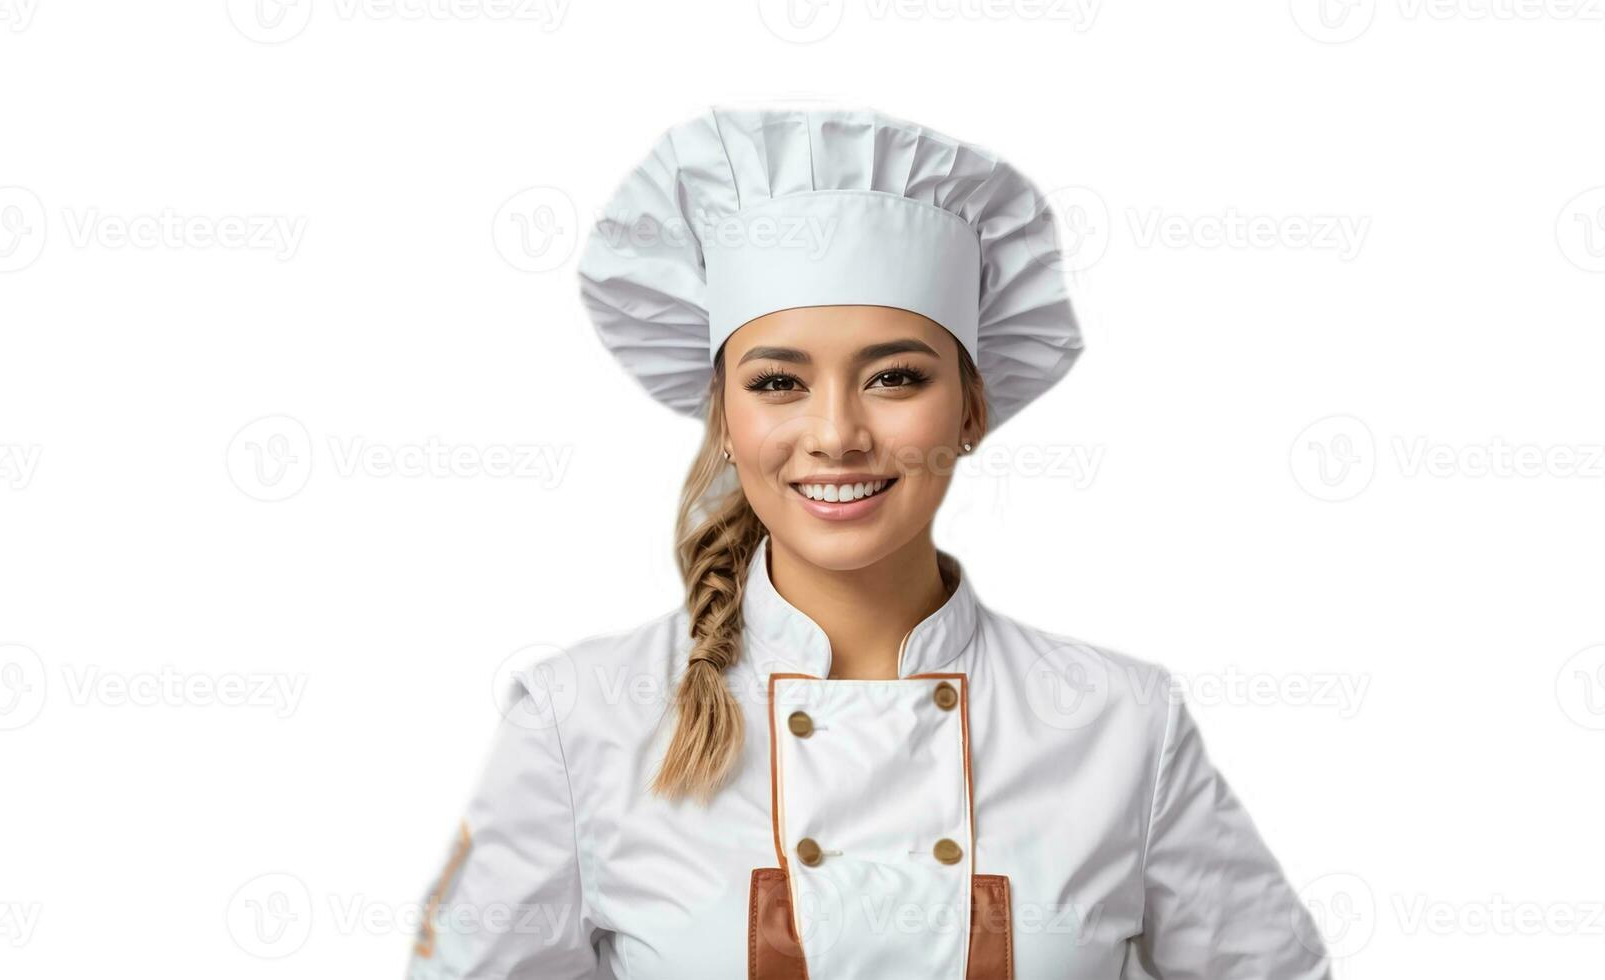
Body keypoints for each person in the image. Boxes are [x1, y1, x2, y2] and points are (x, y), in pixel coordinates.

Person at [405, 104, 1332, 979]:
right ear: (723, 417)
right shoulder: (582, 724)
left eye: (894, 377)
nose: (838, 433)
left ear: (972, 408)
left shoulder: (1121, 725)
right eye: (778, 383)